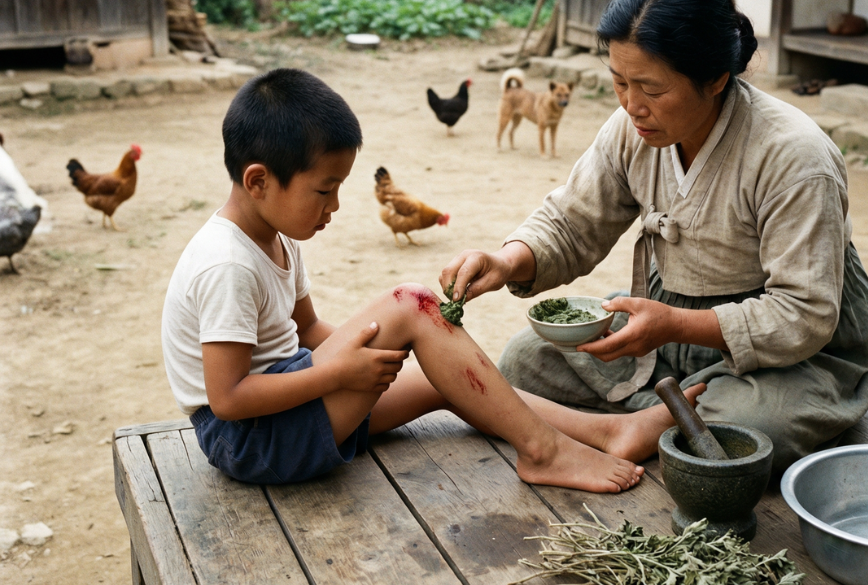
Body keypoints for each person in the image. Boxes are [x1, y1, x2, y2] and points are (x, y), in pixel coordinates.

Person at [161, 68, 698, 493]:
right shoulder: (226, 264)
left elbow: (307, 333)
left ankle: (606, 431)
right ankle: (544, 451)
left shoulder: (275, 236)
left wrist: (363, 357)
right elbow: (228, 399)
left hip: (289, 404)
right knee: (412, 302)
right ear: (259, 180)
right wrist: (339, 373)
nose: (336, 205)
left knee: (444, 384)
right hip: (252, 439)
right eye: (324, 190)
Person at [442, 0, 868, 472]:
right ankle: (643, 425)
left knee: (755, 429)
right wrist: (506, 260)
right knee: (523, 365)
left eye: (651, 89)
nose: (632, 106)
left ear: (715, 79)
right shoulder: (631, 129)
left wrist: (674, 324)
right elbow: (574, 219)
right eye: (619, 82)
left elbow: (804, 314)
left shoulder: (794, 158)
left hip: (790, 351)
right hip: (666, 330)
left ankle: (657, 419)